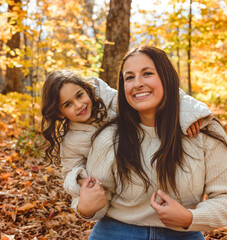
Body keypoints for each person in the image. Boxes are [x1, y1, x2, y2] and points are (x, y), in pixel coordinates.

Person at [76, 46, 227, 239]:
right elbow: (94, 198)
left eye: (147, 73)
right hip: (115, 232)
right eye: (129, 77)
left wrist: (189, 217)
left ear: (166, 78)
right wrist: (85, 208)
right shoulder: (110, 136)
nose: (138, 84)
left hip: (183, 234)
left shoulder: (202, 129)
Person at [40, 69, 214, 219]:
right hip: (119, 192)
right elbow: (70, 170)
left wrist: (189, 115)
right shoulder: (71, 140)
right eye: (68, 104)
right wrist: (79, 178)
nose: (79, 105)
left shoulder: (115, 101)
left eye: (79, 95)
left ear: (87, 89)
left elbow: (160, 97)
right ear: (60, 113)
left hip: (154, 165)